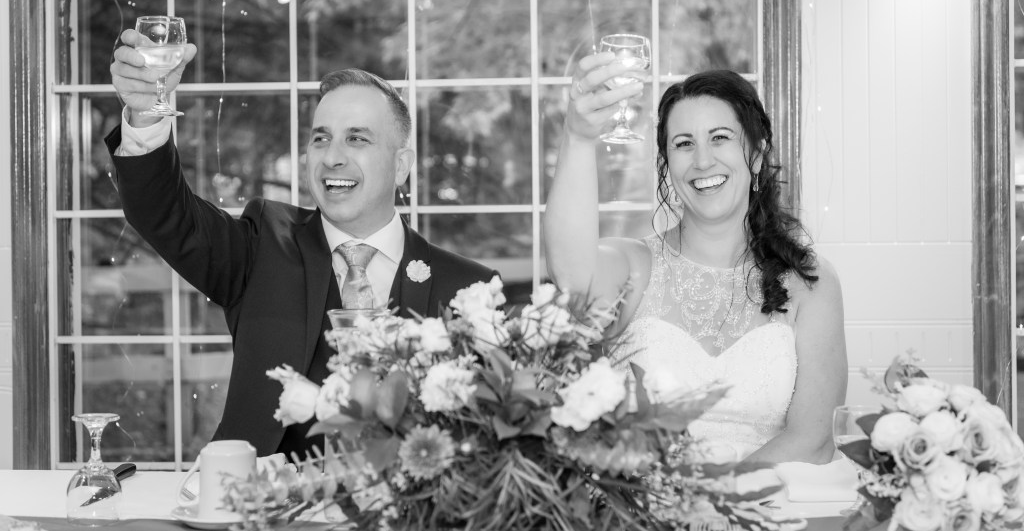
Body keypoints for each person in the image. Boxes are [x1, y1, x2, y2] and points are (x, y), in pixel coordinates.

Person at [106, 30, 496, 457]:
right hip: (261, 511)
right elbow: (163, 213)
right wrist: (145, 117)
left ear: (401, 165)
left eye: (357, 138)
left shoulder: (469, 292)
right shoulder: (261, 246)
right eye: (321, 138)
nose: (333, 157)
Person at [544, 56, 847, 464]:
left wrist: (708, 503)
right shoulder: (633, 267)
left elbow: (813, 440)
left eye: (720, 138)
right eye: (684, 144)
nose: (702, 160)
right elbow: (571, 279)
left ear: (756, 156)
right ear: (668, 166)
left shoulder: (810, 283)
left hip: (762, 512)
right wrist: (578, 137)